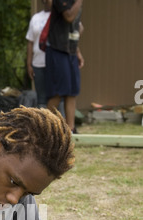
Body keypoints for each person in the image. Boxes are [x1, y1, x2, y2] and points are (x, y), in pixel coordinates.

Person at [46, 0, 84, 133]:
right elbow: (69, 17)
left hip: (71, 51)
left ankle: (70, 130)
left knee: (72, 91)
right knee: (58, 92)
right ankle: (44, 128)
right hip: (57, 50)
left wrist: (77, 51)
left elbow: (75, 27)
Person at [26, 0, 52, 108]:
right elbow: (30, 42)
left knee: (56, 96)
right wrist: (29, 63)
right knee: (41, 98)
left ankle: (59, 123)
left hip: (54, 62)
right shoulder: (36, 18)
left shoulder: (59, 16)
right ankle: (43, 123)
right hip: (38, 63)